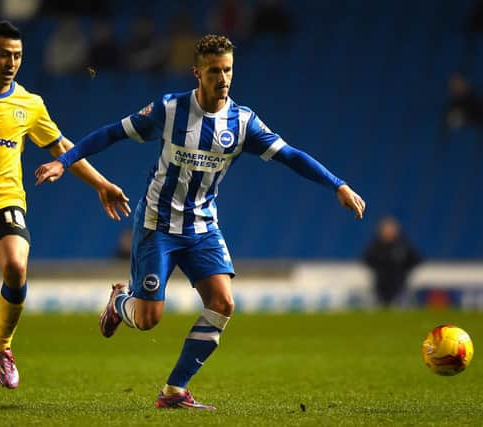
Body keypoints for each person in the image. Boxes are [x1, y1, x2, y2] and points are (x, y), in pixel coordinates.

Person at [35, 34, 366, 410]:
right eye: (214, 71)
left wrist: (337, 185)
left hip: (203, 226)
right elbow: (111, 133)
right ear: (197, 73)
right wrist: (63, 161)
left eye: (228, 70)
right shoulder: (169, 110)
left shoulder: (243, 122)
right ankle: (119, 301)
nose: (223, 78)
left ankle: (174, 390)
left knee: (223, 303)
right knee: (147, 320)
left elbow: (290, 155)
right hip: (157, 224)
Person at [0, 21, 130, 401]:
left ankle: (2, 345)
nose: (12, 62)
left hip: (4, 202)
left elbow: (64, 147)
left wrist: (102, 184)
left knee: (15, 265)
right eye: (4, 54)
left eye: (18, 55)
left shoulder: (29, 104)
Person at [362, 216, 422, 308]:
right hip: (381, 282)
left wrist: (405, 270)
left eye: (390, 229)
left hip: (399, 282)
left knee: (399, 305)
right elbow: (366, 258)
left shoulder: (402, 244)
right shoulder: (376, 245)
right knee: (381, 305)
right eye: (386, 229)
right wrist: (377, 268)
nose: (388, 231)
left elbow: (416, 258)